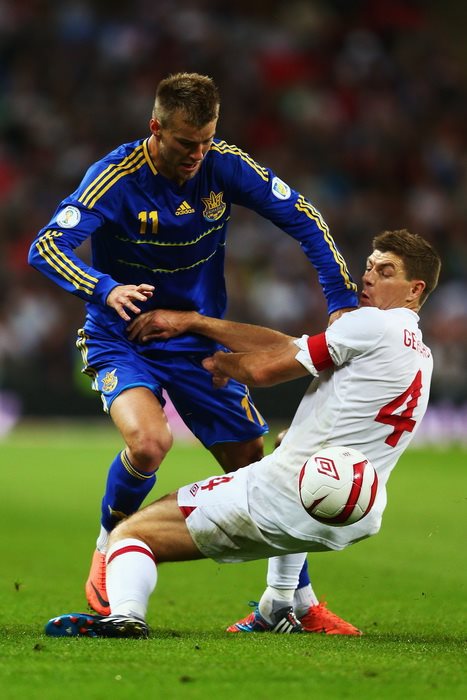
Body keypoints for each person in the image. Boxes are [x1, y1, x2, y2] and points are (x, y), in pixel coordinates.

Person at [28, 72, 357, 618]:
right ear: (155, 128)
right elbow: (46, 246)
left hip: (196, 342)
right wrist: (106, 289)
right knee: (148, 444)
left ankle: (292, 600)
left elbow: (303, 217)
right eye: (186, 142)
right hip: (122, 338)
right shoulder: (116, 177)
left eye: (206, 140)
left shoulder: (223, 166)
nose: (197, 155)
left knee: (253, 460)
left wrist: (341, 297)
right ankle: (109, 546)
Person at [44, 228, 441, 639]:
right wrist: (197, 323)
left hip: (284, 497)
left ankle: (126, 617)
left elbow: (265, 369)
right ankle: (278, 606)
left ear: (415, 290)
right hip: (356, 512)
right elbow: (289, 345)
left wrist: (220, 365)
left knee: (132, 534)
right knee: (286, 446)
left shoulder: (370, 324)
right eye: (369, 267)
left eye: (385, 272)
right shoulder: (418, 352)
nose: (368, 278)